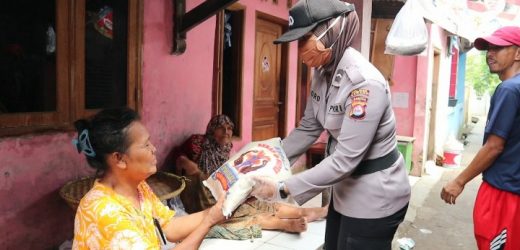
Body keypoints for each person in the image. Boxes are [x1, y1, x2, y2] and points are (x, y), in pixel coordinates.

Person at [249, 0, 411, 249]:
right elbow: (309, 127)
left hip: (375, 196)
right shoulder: (322, 74)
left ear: (331, 30)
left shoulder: (363, 84)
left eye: (305, 39)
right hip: (345, 190)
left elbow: (346, 159)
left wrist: (282, 188)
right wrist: (268, 159)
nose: (300, 49)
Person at [71, 107, 226, 249]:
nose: (153, 148)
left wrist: (215, 211)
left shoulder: (138, 188)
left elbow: (169, 226)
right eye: (145, 145)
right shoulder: (104, 211)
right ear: (119, 158)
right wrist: (209, 222)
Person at [170, 114, 327, 240]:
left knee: (258, 201)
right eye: (221, 128)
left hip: (223, 192)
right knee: (240, 214)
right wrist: (188, 165)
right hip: (201, 197)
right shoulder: (197, 143)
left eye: (229, 128)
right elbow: (178, 159)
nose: (226, 132)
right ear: (212, 130)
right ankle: (283, 224)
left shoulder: (225, 147)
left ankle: (306, 212)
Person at [441, 26, 520, 250]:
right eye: (488, 48)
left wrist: (459, 181)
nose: (490, 54)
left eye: (498, 47)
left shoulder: (509, 89)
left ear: (518, 53)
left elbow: (494, 146)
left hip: (503, 194)